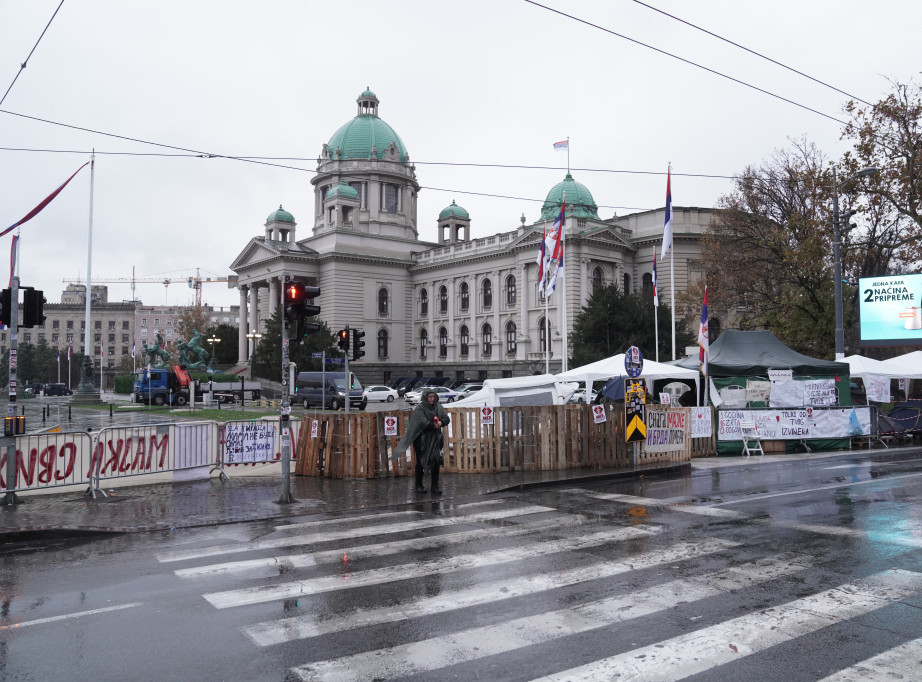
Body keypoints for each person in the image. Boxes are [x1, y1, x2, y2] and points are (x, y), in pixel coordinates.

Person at [393, 388, 451, 494]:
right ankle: (418, 486)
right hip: (422, 440)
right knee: (420, 462)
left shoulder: (438, 407)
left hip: (435, 439)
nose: (431, 399)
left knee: (435, 461)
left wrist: (441, 422)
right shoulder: (420, 409)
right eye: (429, 397)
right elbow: (422, 422)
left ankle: (435, 486)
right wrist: (434, 425)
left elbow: (446, 418)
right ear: (425, 398)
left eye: (433, 396)